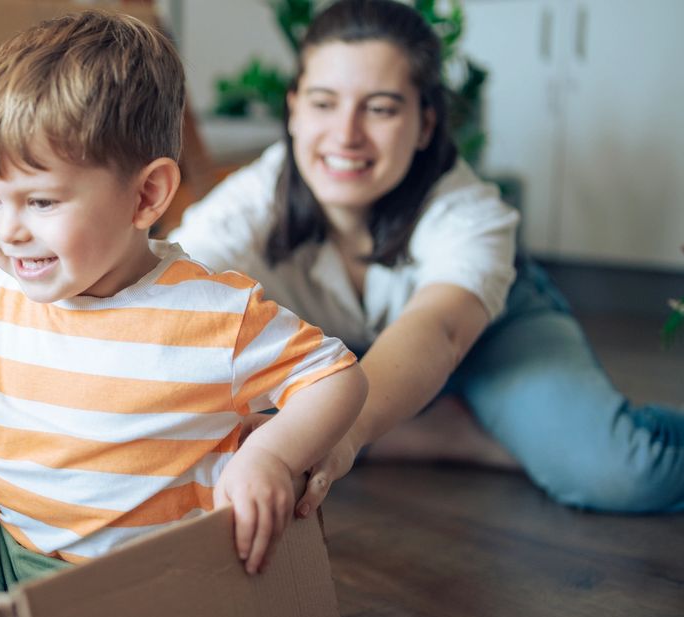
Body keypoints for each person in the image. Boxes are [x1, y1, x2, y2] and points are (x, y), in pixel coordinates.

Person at [0, 10, 368, 593]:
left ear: (147, 196)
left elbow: (336, 377)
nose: (6, 231)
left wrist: (271, 455)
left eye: (41, 203)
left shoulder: (213, 317)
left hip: (124, 591)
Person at [169, 0, 684, 514]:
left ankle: (467, 426)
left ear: (425, 123)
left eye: (381, 108)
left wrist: (341, 435)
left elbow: (440, 330)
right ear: (295, 109)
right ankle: (447, 435)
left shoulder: (467, 208)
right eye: (324, 103)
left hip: (486, 335)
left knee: (620, 472)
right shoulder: (250, 199)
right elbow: (178, 288)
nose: (346, 135)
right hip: (349, 364)